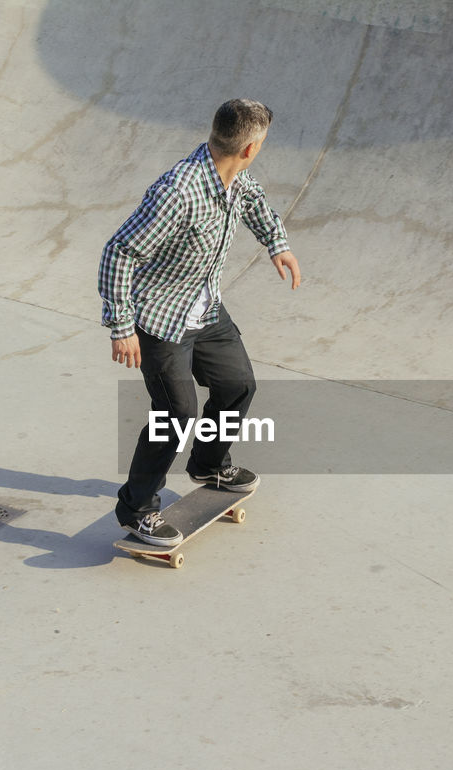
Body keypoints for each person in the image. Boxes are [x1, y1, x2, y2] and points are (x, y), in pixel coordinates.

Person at [99, 98, 301, 546]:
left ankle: (208, 464)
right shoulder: (179, 191)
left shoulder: (235, 175)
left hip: (205, 309)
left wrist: (276, 244)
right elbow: (120, 251)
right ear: (250, 147)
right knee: (176, 415)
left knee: (238, 385)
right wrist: (121, 327)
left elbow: (254, 203)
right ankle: (137, 509)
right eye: (262, 143)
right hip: (161, 319)